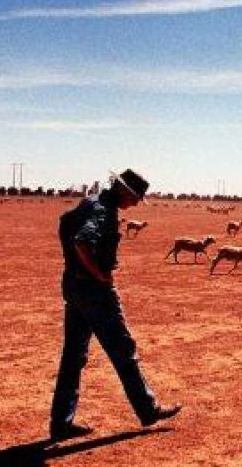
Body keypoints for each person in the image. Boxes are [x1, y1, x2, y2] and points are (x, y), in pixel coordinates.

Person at [49, 168, 181, 441]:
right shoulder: (103, 211)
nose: (134, 204)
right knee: (123, 349)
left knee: (73, 356)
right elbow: (82, 241)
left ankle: (61, 423)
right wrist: (101, 275)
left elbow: (65, 225)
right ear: (124, 191)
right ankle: (148, 409)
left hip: (73, 286)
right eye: (134, 198)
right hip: (94, 291)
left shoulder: (90, 202)